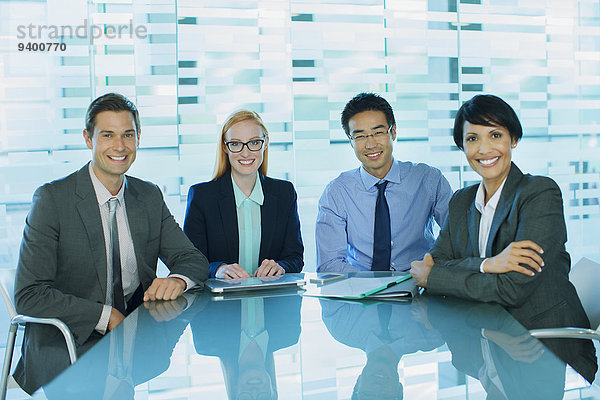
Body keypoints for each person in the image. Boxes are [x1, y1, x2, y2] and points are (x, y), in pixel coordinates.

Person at [13, 93, 209, 394]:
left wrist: (178, 280)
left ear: (138, 138)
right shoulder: (53, 199)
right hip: (69, 344)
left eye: (127, 135)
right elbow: (29, 295)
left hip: (135, 342)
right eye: (108, 135)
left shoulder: (149, 196)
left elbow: (191, 259)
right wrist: (104, 316)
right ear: (88, 139)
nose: (119, 146)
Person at [410, 94, 597, 383]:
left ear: (514, 138)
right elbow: (436, 261)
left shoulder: (539, 194)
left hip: (542, 348)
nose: (484, 149)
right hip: (486, 342)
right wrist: (489, 265)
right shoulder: (461, 201)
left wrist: (437, 276)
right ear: (462, 146)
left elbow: (512, 289)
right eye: (472, 138)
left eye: (495, 135)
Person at [316, 92, 452, 272]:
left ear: (393, 132)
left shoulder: (428, 180)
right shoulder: (338, 191)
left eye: (378, 132)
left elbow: (457, 239)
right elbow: (329, 264)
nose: (370, 144)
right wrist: (371, 287)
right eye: (360, 136)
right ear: (350, 141)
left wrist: (434, 271)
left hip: (420, 285)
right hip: (361, 290)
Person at [184, 110, 303, 279]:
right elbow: (190, 261)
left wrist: (280, 267)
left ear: (266, 142)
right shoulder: (202, 196)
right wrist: (218, 270)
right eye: (236, 144)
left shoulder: (284, 193)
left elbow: (295, 257)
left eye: (254, 142)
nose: (245, 153)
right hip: (220, 303)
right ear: (225, 147)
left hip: (270, 300)